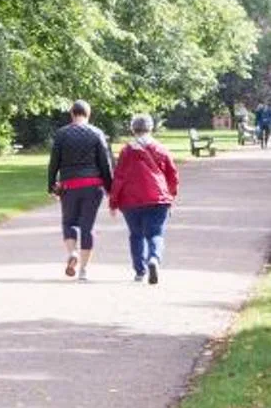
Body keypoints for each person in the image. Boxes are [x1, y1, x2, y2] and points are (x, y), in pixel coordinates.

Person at [46, 99, 115, 281]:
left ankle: (72, 253)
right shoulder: (97, 133)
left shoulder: (61, 134)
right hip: (93, 186)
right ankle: (84, 270)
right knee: (88, 227)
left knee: (68, 222)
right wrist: (110, 188)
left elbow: (54, 163)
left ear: (72, 114)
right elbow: (105, 163)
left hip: (70, 185)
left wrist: (51, 185)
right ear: (88, 114)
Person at [108, 114, 180, 284]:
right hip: (157, 199)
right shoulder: (160, 149)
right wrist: (171, 196)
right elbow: (173, 175)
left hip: (130, 201)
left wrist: (113, 202)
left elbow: (119, 177)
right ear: (151, 128)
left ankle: (140, 270)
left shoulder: (126, 151)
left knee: (136, 235)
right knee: (155, 233)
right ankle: (154, 259)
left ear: (133, 129)